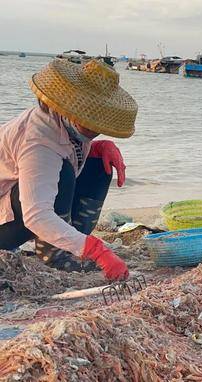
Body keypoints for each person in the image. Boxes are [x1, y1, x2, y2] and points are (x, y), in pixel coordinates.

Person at [0, 59, 137, 281]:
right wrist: (97, 250)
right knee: (61, 172)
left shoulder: (65, 124)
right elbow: (36, 216)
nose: (95, 129)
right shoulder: (39, 142)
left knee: (99, 166)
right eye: (89, 123)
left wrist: (98, 147)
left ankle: (75, 244)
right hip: (7, 221)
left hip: (21, 205)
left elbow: (72, 149)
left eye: (100, 124)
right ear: (68, 107)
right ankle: (55, 255)